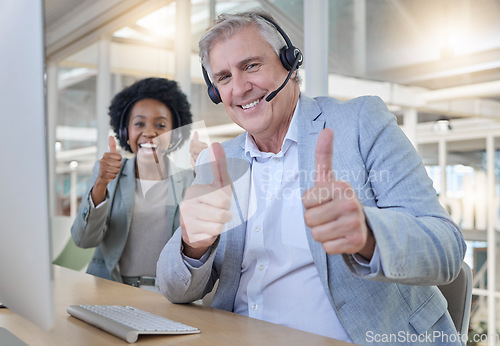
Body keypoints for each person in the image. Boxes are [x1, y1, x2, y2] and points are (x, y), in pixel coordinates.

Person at [156, 11, 466, 344]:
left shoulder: (360, 124)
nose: (240, 88)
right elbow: (173, 288)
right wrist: (192, 246)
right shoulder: (218, 162)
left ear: (290, 62)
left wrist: (368, 235)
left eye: (251, 66)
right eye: (224, 77)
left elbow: (446, 249)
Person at [72, 77, 194, 291]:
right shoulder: (108, 174)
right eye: (139, 123)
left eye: (161, 125)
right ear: (124, 133)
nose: (149, 132)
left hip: (170, 295)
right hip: (111, 291)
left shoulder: (189, 180)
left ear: (174, 135)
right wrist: (101, 184)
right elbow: (83, 240)